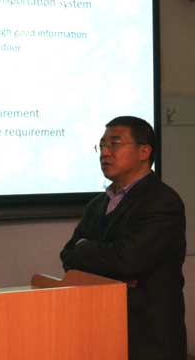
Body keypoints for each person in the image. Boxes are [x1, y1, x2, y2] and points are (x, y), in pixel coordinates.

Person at [60, 116, 186, 360]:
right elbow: (67, 256)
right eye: (101, 146)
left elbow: (128, 261)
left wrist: (85, 248)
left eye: (115, 144)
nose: (105, 153)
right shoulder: (98, 203)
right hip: (100, 328)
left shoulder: (162, 201)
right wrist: (109, 263)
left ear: (144, 151)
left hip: (147, 337)